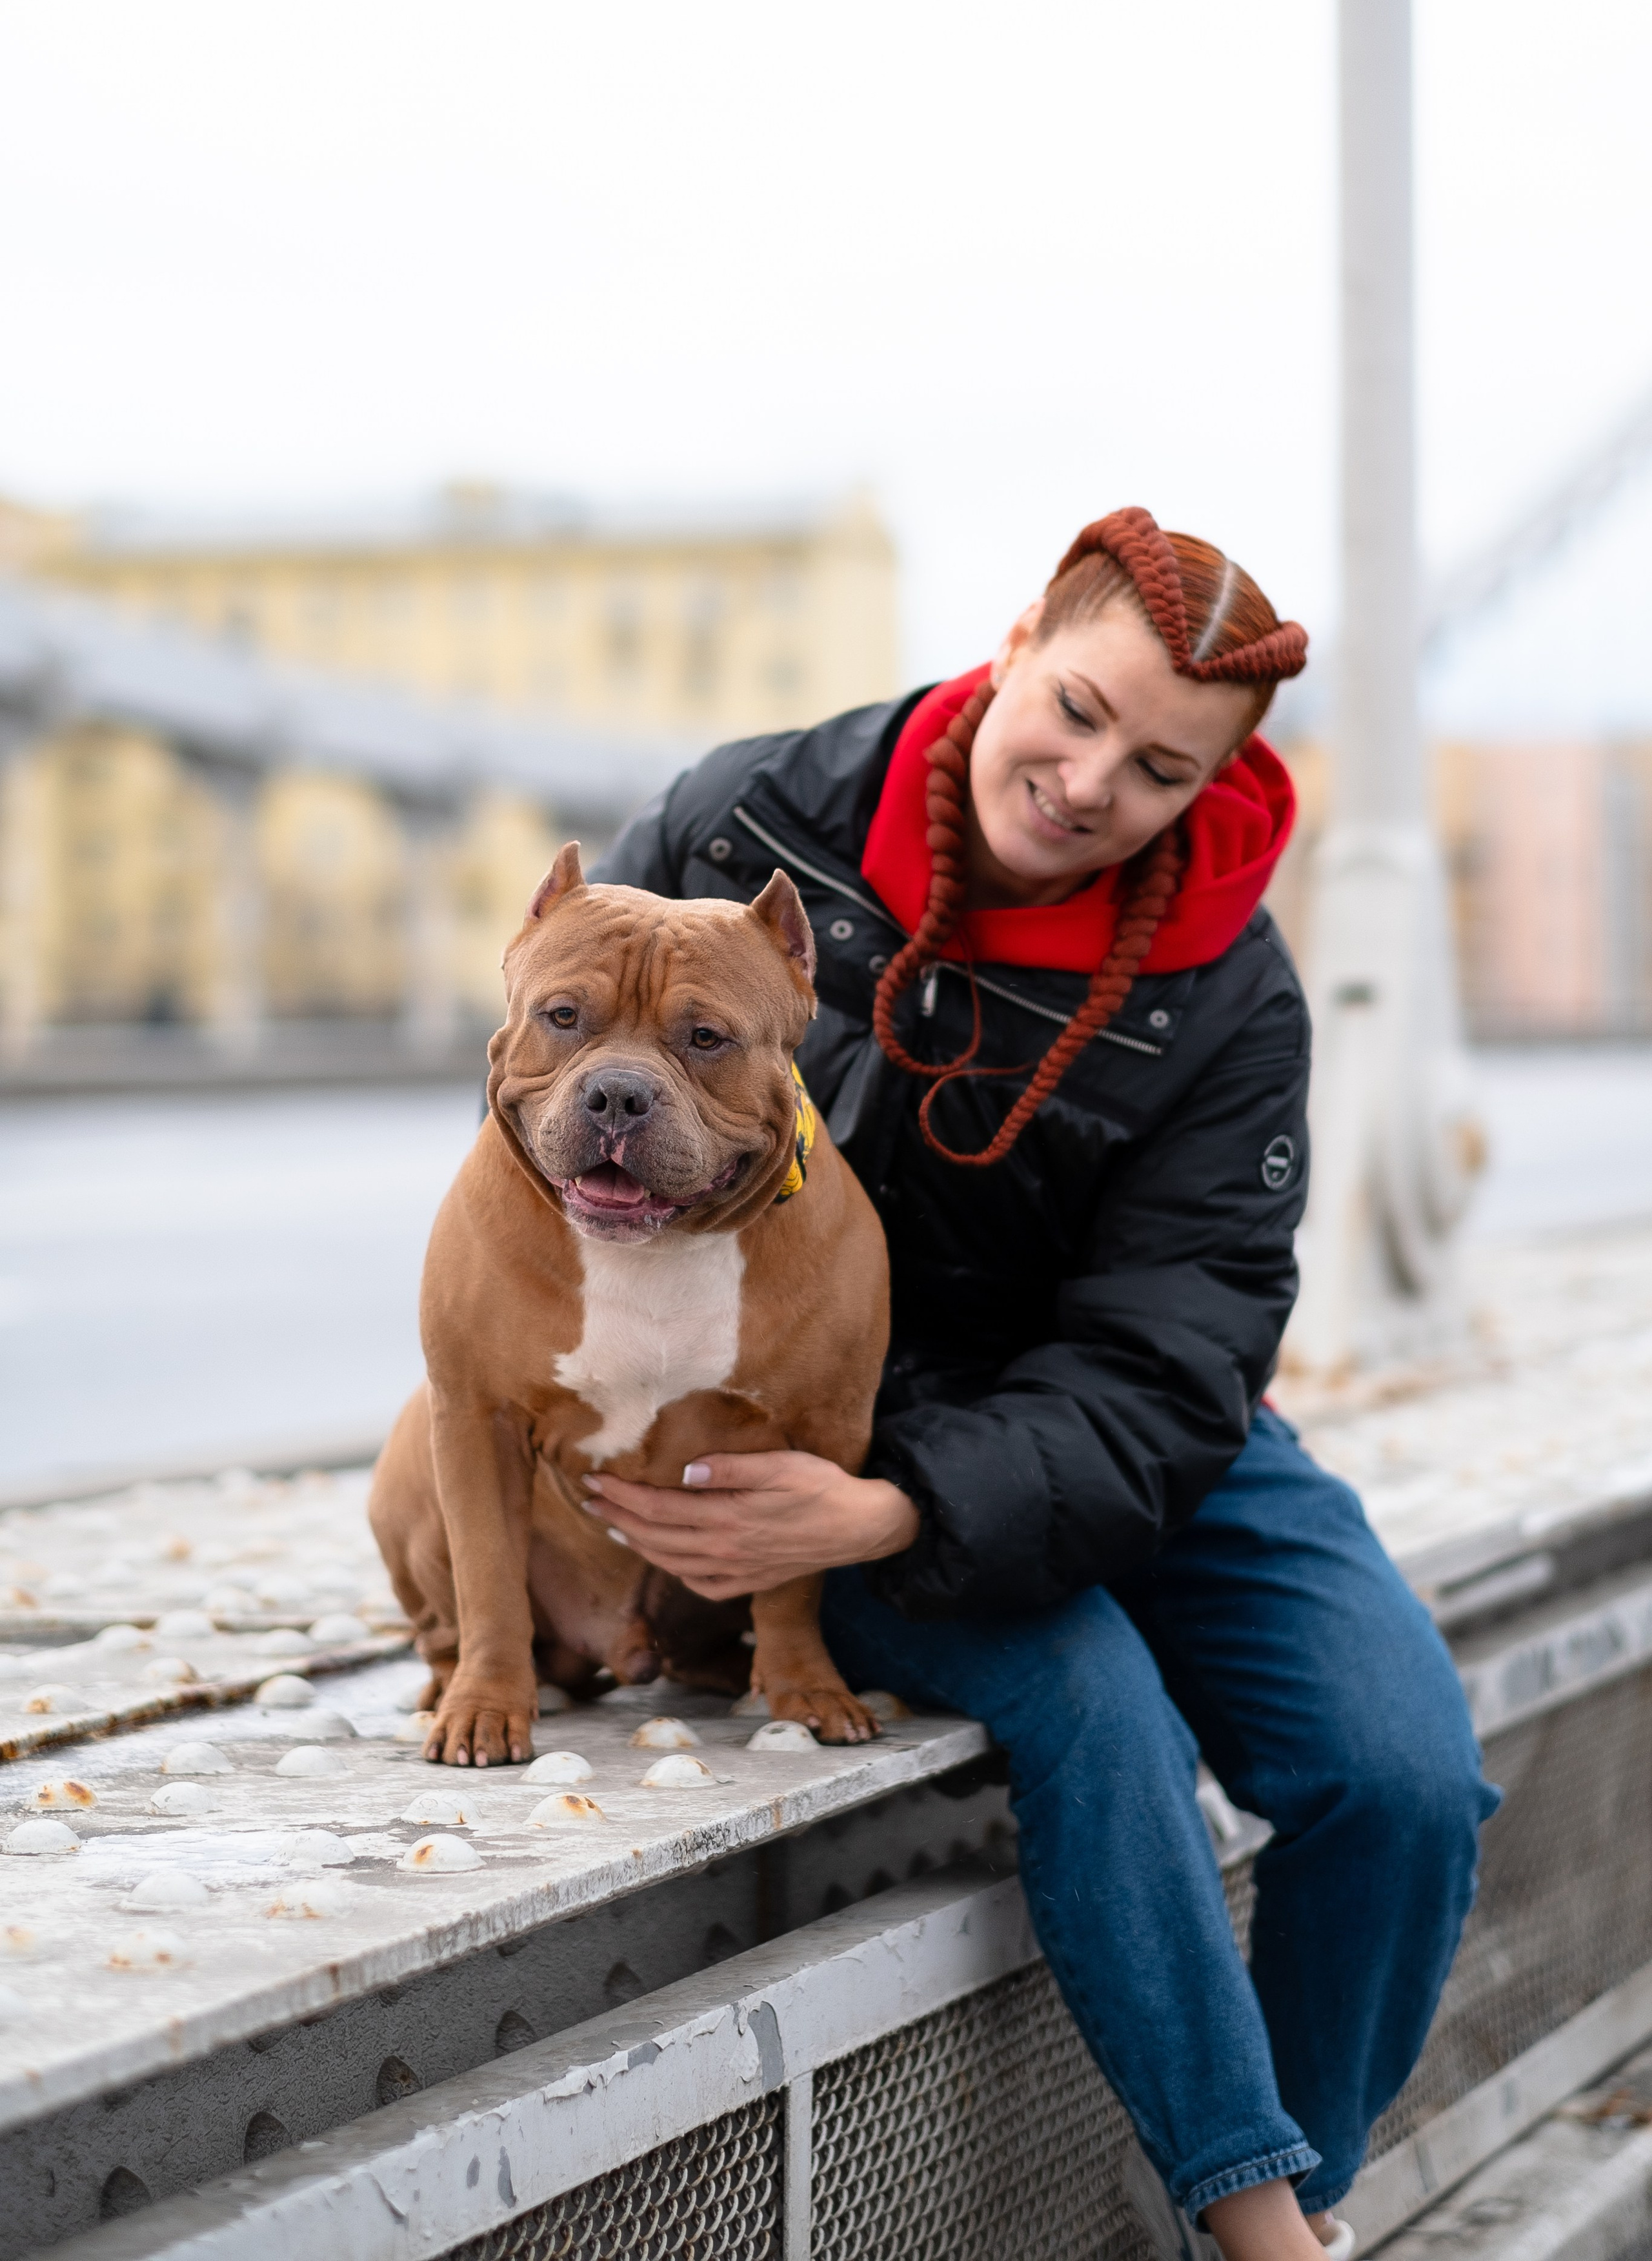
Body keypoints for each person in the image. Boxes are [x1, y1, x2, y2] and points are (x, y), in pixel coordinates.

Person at [583, 507, 1497, 2261]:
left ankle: (1278, 2212)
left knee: (1402, 1778)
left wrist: (913, 1503)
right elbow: (558, 1112)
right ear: (1012, 641)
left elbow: (1182, 1347)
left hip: (1112, 1434)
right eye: (1074, 712)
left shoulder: (1230, 995)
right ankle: (1268, 2245)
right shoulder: (744, 826)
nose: (1088, 784)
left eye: (1160, 769)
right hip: (791, 1425)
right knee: (1103, 1719)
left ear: (1218, 782)